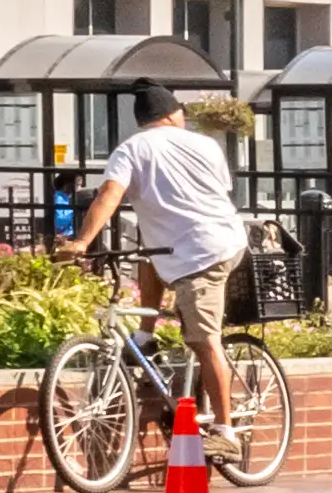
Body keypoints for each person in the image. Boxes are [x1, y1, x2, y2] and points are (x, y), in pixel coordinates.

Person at [69, 91, 251, 437]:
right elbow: (219, 191)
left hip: (202, 255)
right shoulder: (207, 145)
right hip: (226, 242)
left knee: (203, 339)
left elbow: (109, 194)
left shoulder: (131, 149)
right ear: (171, 114)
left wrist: (81, 242)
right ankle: (144, 337)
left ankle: (225, 432)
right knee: (148, 257)